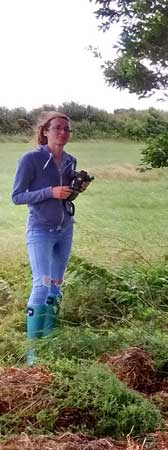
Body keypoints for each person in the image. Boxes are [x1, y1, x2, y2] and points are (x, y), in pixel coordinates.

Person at [11, 111, 87, 365]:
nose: (63, 133)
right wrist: (50, 192)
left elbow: (66, 196)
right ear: (45, 131)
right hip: (40, 230)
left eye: (67, 129)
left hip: (65, 228)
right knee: (41, 285)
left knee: (56, 285)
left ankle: (50, 341)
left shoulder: (70, 160)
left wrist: (76, 189)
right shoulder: (31, 159)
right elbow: (17, 196)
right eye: (57, 128)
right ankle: (33, 351)